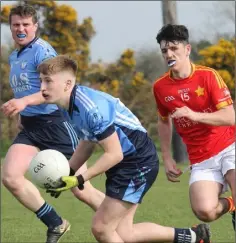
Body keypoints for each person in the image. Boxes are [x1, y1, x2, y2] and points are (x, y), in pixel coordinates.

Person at [38, 54, 211, 243]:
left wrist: (79, 178)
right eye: (41, 81)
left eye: (48, 81)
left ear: (67, 83)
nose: (42, 88)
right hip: (127, 162)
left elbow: (114, 154)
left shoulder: (90, 108)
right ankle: (196, 237)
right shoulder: (66, 104)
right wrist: (68, 172)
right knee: (124, 233)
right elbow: (87, 142)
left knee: (102, 228)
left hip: (137, 162)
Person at [1, 5, 104, 243]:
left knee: (81, 189)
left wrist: (25, 101)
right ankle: (56, 223)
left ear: (35, 26)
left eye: (26, 24)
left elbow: (53, 90)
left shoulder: (42, 51)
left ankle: (124, 225)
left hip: (55, 126)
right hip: (30, 128)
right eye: (16, 24)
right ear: (11, 27)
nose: (21, 29)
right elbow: (26, 88)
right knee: (10, 177)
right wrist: (22, 112)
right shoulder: (14, 55)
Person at [152, 24, 235, 231]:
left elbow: (230, 117)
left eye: (174, 49)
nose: (169, 54)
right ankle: (232, 206)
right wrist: (167, 156)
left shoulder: (208, 76)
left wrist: (193, 115)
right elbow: (163, 120)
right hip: (200, 158)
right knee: (205, 211)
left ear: (187, 50)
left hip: (229, 147)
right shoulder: (160, 87)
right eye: (164, 50)